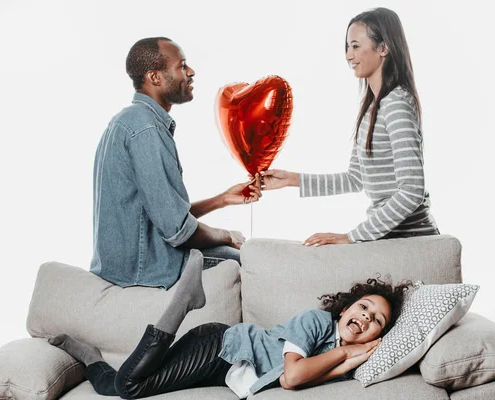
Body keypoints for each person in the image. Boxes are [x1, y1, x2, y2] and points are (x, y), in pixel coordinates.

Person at [49, 249, 411, 398]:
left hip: (220, 372)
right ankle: (184, 302)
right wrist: (353, 352)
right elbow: (293, 377)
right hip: (219, 348)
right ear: (345, 309)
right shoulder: (317, 323)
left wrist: (351, 358)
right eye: (363, 307)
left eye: (377, 320)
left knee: (116, 384)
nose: (365, 317)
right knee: (129, 387)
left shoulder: (342, 357)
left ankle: (89, 355)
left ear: (381, 333)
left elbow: (310, 377)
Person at [90, 37, 261, 289]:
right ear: (154, 77)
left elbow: (162, 217)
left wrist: (222, 199)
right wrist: (228, 235)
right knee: (254, 262)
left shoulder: (129, 121)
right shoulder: (146, 129)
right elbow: (178, 232)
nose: (190, 72)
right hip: (146, 271)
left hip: (129, 266)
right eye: (181, 66)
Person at [260, 8, 439, 246]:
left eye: (355, 46)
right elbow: (356, 178)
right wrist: (292, 180)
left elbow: (412, 190)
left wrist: (352, 237)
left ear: (384, 48)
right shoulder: (371, 108)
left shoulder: (395, 103)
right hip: (387, 238)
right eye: (347, 47)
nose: (348, 55)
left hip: (410, 240)